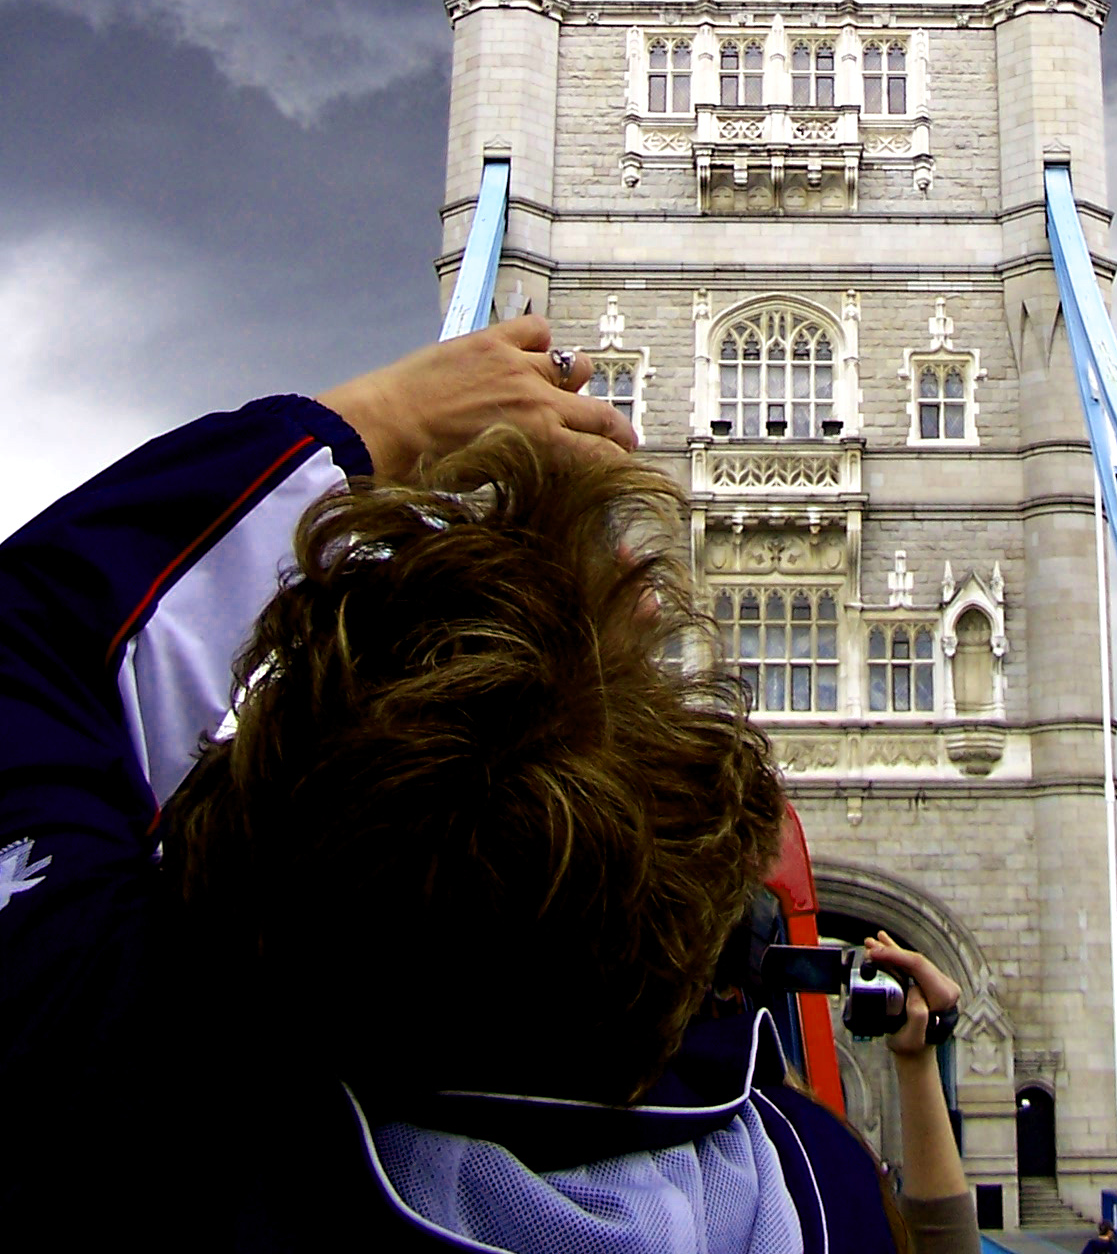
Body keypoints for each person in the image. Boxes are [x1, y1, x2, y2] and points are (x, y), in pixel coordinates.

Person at [0, 316, 977, 1253]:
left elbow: (30, 631)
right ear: (709, 941)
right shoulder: (820, 1200)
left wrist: (378, 421)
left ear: (244, 849)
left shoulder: (126, 1093)